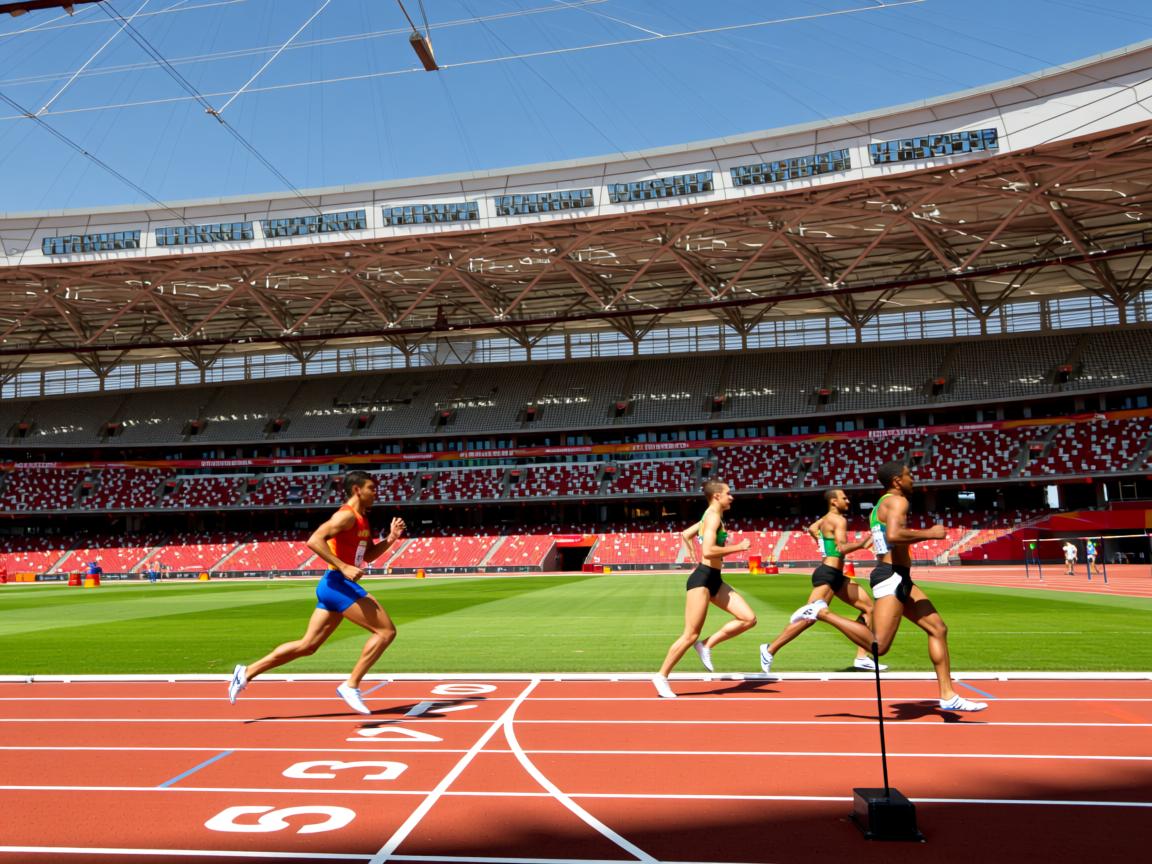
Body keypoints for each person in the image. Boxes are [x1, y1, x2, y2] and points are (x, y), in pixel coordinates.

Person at [791, 461, 987, 712]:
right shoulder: (897, 502)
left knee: (938, 628)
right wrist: (931, 533)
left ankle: (948, 695)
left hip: (899, 576)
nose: (912, 479)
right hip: (891, 576)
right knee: (879, 646)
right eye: (909, 475)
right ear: (897, 480)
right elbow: (894, 535)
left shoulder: (878, 507)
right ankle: (821, 612)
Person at [228, 471, 405, 714]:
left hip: (333, 585)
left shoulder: (362, 519)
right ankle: (351, 685)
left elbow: (368, 556)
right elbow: (314, 540)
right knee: (385, 631)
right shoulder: (346, 516)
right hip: (337, 583)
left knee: (308, 646)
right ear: (357, 490)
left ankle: (246, 672)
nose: (376, 492)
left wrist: (391, 538)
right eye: (371, 488)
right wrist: (343, 566)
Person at [758, 489, 886, 674]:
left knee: (869, 608)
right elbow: (841, 548)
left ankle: (861, 657)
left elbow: (812, 528)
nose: (848, 501)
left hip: (836, 575)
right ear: (834, 501)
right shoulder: (838, 520)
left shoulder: (826, 518)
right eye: (844, 498)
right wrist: (863, 542)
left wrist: (822, 543)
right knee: (809, 618)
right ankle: (769, 650)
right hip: (828, 574)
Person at [653, 480, 757, 698]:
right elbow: (708, 551)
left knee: (748, 618)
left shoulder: (709, 515)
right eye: (729, 493)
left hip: (715, 579)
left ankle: (707, 645)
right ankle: (661, 676)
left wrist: (689, 547)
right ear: (717, 496)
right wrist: (739, 547)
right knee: (690, 634)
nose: (732, 497)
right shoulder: (712, 517)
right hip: (701, 580)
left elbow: (685, 534)